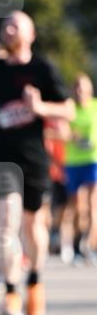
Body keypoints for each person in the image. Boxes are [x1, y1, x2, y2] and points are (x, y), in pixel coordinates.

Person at [0, 11, 75, 315]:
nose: (9, 29)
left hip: (33, 158)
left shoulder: (42, 68)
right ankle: (11, 290)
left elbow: (68, 109)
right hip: (0, 156)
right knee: (5, 223)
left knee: (33, 226)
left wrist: (39, 107)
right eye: (5, 25)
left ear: (31, 35)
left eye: (16, 25)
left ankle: (35, 280)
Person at [65, 73, 97, 263]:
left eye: (82, 87)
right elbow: (61, 130)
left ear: (89, 89)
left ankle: (89, 245)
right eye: (76, 87)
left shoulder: (95, 107)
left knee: (93, 204)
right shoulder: (69, 108)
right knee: (78, 206)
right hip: (73, 161)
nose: (79, 91)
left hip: (92, 159)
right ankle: (77, 244)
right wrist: (71, 136)